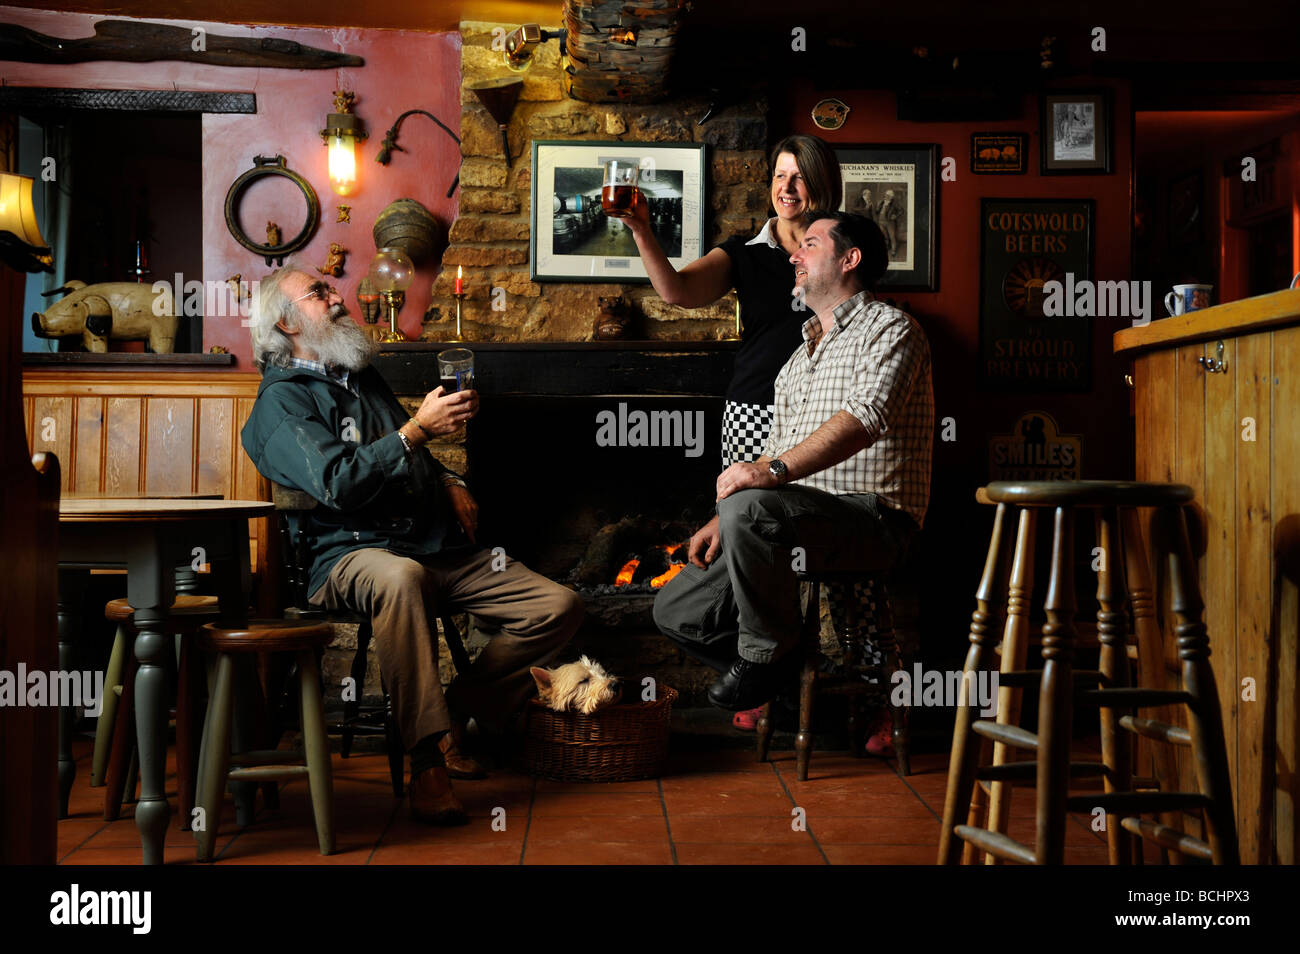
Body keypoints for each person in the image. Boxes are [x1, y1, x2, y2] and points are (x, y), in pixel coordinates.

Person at [241, 263, 583, 825]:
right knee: (402, 580)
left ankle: (452, 716)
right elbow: (340, 482)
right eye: (318, 291)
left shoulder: (359, 376)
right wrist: (418, 428)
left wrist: (450, 481)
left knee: (557, 606)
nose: (335, 296)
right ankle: (428, 765)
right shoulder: (281, 404)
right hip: (349, 557)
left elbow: (410, 452)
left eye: (331, 286)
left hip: (431, 546)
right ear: (285, 322)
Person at [652, 212, 933, 715]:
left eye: (809, 245)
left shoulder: (892, 329)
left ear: (850, 259)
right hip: (797, 518)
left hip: (874, 519)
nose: (794, 256)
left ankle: (767, 657)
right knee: (677, 609)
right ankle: (788, 676)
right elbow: (778, 446)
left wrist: (768, 474)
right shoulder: (798, 357)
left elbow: (867, 417)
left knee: (750, 507)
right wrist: (725, 518)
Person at [625, 134, 842, 470]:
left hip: (825, 409)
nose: (787, 188)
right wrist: (642, 231)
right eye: (780, 176)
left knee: (815, 517)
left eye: (800, 177)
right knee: (743, 514)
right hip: (753, 409)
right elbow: (676, 292)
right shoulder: (743, 252)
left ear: (822, 183)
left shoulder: (845, 254)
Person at [878, 189, 903, 257]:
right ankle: (887, 247)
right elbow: (877, 211)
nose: (886, 196)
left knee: (892, 237)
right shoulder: (882, 202)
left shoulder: (894, 203)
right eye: (886, 195)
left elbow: (901, 210)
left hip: (890, 222)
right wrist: (880, 205)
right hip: (881, 222)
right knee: (885, 236)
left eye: (888, 195)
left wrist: (895, 216)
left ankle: (893, 250)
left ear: (891, 196)